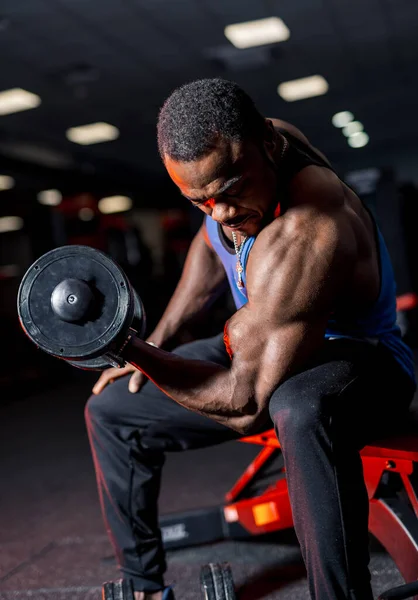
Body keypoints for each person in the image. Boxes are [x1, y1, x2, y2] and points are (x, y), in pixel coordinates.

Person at [85, 78, 416, 600]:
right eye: (199, 200)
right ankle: (146, 586)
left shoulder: (310, 230)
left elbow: (242, 404)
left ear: (269, 145)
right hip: (272, 332)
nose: (220, 212)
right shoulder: (236, 168)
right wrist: (159, 341)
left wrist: (127, 347)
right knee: (111, 411)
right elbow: (208, 241)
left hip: (363, 356)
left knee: (299, 407)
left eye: (230, 192)